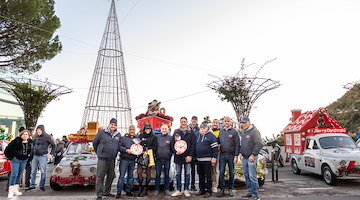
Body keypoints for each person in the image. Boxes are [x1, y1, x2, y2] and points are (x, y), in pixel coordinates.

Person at [93, 118, 121, 200]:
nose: (113, 126)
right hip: (103, 158)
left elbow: (119, 145)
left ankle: (106, 192)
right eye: (112, 124)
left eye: (115, 125)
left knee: (111, 176)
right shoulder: (102, 133)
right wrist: (99, 152)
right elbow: (95, 142)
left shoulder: (118, 135)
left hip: (112, 159)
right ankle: (99, 194)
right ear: (109, 124)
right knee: (100, 176)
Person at [171, 117, 196, 197]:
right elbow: (172, 144)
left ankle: (186, 189)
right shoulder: (176, 132)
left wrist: (190, 155)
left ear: (187, 122)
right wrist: (175, 151)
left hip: (187, 157)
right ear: (180, 122)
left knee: (187, 173)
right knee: (178, 173)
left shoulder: (191, 132)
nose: (183, 123)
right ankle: (178, 189)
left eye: (185, 121)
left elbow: (193, 145)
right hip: (178, 156)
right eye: (182, 121)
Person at [4, 129, 33, 198]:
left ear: (28, 136)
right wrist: (11, 157)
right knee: (14, 174)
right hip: (15, 159)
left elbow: (32, 151)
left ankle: (15, 189)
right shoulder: (16, 141)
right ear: (21, 135)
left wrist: (29, 158)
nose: (25, 136)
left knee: (19, 174)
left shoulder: (30, 142)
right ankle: (10, 190)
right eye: (23, 134)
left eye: (26, 134)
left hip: (24, 160)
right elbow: (7, 149)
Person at [239, 117, 263, 200]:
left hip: (251, 157)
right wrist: (241, 153)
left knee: (252, 176)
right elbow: (242, 144)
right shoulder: (243, 132)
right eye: (242, 123)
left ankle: (255, 194)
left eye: (245, 122)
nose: (244, 124)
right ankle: (250, 192)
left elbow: (259, 144)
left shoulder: (254, 131)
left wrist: (253, 155)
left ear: (249, 122)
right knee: (246, 175)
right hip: (244, 157)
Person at [217, 116, 240, 198]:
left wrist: (236, 155)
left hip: (231, 155)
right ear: (223, 122)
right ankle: (222, 189)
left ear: (231, 122)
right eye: (225, 121)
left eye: (228, 121)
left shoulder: (234, 132)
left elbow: (237, 144)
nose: (226, 122)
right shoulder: (221, 131)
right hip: (222, 155)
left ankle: (230, 189)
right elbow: (218, 142)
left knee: (231, 172)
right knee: (221, 172)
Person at [27, 125, 55, 191]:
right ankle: (32, 184)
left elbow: (54, 145)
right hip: (35, 155)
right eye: (37, 130)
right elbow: (33, 145)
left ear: (43, 130)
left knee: (43, 171)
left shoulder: (47, 136)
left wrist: (51, 153)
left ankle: (42, 185)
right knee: (33, 171)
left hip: (43, 156)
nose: (38, 131)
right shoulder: (35, 136)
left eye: (40, 130)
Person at [195, 122, 218, 198]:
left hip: (208, 159)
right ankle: (202, 190)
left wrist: (214, 158)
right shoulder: (197, 135)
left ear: (207, 128)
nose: (202, 129)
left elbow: (215, 148)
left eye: (204, 128)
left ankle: (208, 191)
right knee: (200, 175)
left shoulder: (211, 136)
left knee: (208, 175)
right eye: (201, 127)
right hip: (198, 159)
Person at [116, 125, 138, 199]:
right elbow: (119, 147)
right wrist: (126, 150)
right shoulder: (123, 138)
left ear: (135, 130)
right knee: (121, 176)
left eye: (133, 129)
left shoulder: (137, 139)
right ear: (128, 130)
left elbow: (140, 148)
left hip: (132, 160)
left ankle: (128, 191)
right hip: (124, 160)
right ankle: (119, 192)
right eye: (130, 129)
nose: (132, 131)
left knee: (130, 177)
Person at [136, 124, 157, 197]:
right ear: (144, 129)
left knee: (148, 172)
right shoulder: (140, 136)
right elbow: (137, 144)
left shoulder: (154, 137)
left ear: (151, 129)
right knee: (139, 172)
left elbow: (155, 147)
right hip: (141, 154)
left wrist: (148, 148)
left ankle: (146, 188)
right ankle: (140, 186)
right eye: (146, 129)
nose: (147, 130)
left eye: (149, 129)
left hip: (149, 154)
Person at [154, 124, 173, 196]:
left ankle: (166, 189)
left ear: (167, 129)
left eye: (165, 129)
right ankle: (157, 189)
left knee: (167, 174)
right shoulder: (157, 137)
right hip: (158, 159)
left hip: (167, 159)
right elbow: (155, 146)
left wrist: (170, 154)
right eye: (163, 129)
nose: (164, 130)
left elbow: (172, 147)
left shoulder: (170, 138)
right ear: (161, 130)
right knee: (158, 174)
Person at [188, 115, 199, 191]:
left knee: (195, 171)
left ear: (197, 121)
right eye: (193, 119)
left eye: (195, 119)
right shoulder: (188, 128)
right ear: (191, 120)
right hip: (189, 152)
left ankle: (193, 185)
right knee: (187, 170)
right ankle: (187, 186)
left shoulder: (199, 129)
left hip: (197, 152)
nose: (194, 121)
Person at [211, 119, 221, 193]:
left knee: (216, 171)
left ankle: (215, 185)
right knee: (209, 171)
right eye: (214, 122)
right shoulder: (209, 131)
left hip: (217, 154)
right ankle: (209, 185)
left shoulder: (220, 132)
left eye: (216, 123)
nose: (215, 124)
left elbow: (220, 144)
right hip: (208, 154)